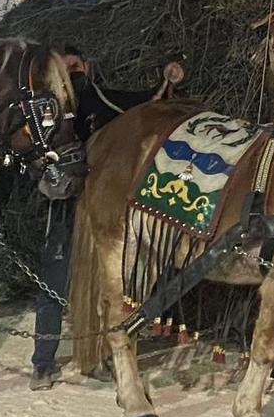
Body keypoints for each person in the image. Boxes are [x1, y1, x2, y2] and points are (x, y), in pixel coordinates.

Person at [29, 51, 185, 390]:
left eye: (76, 66)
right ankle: (42, 363)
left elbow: (147, 102)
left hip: (101, 202)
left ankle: (100, 356)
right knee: (54, 284)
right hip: (65, 204)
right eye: (66, 68)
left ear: (88, 66)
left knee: (105, 284)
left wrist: (168, 79)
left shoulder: (102, 99)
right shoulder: (46, 110)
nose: (73, 73)